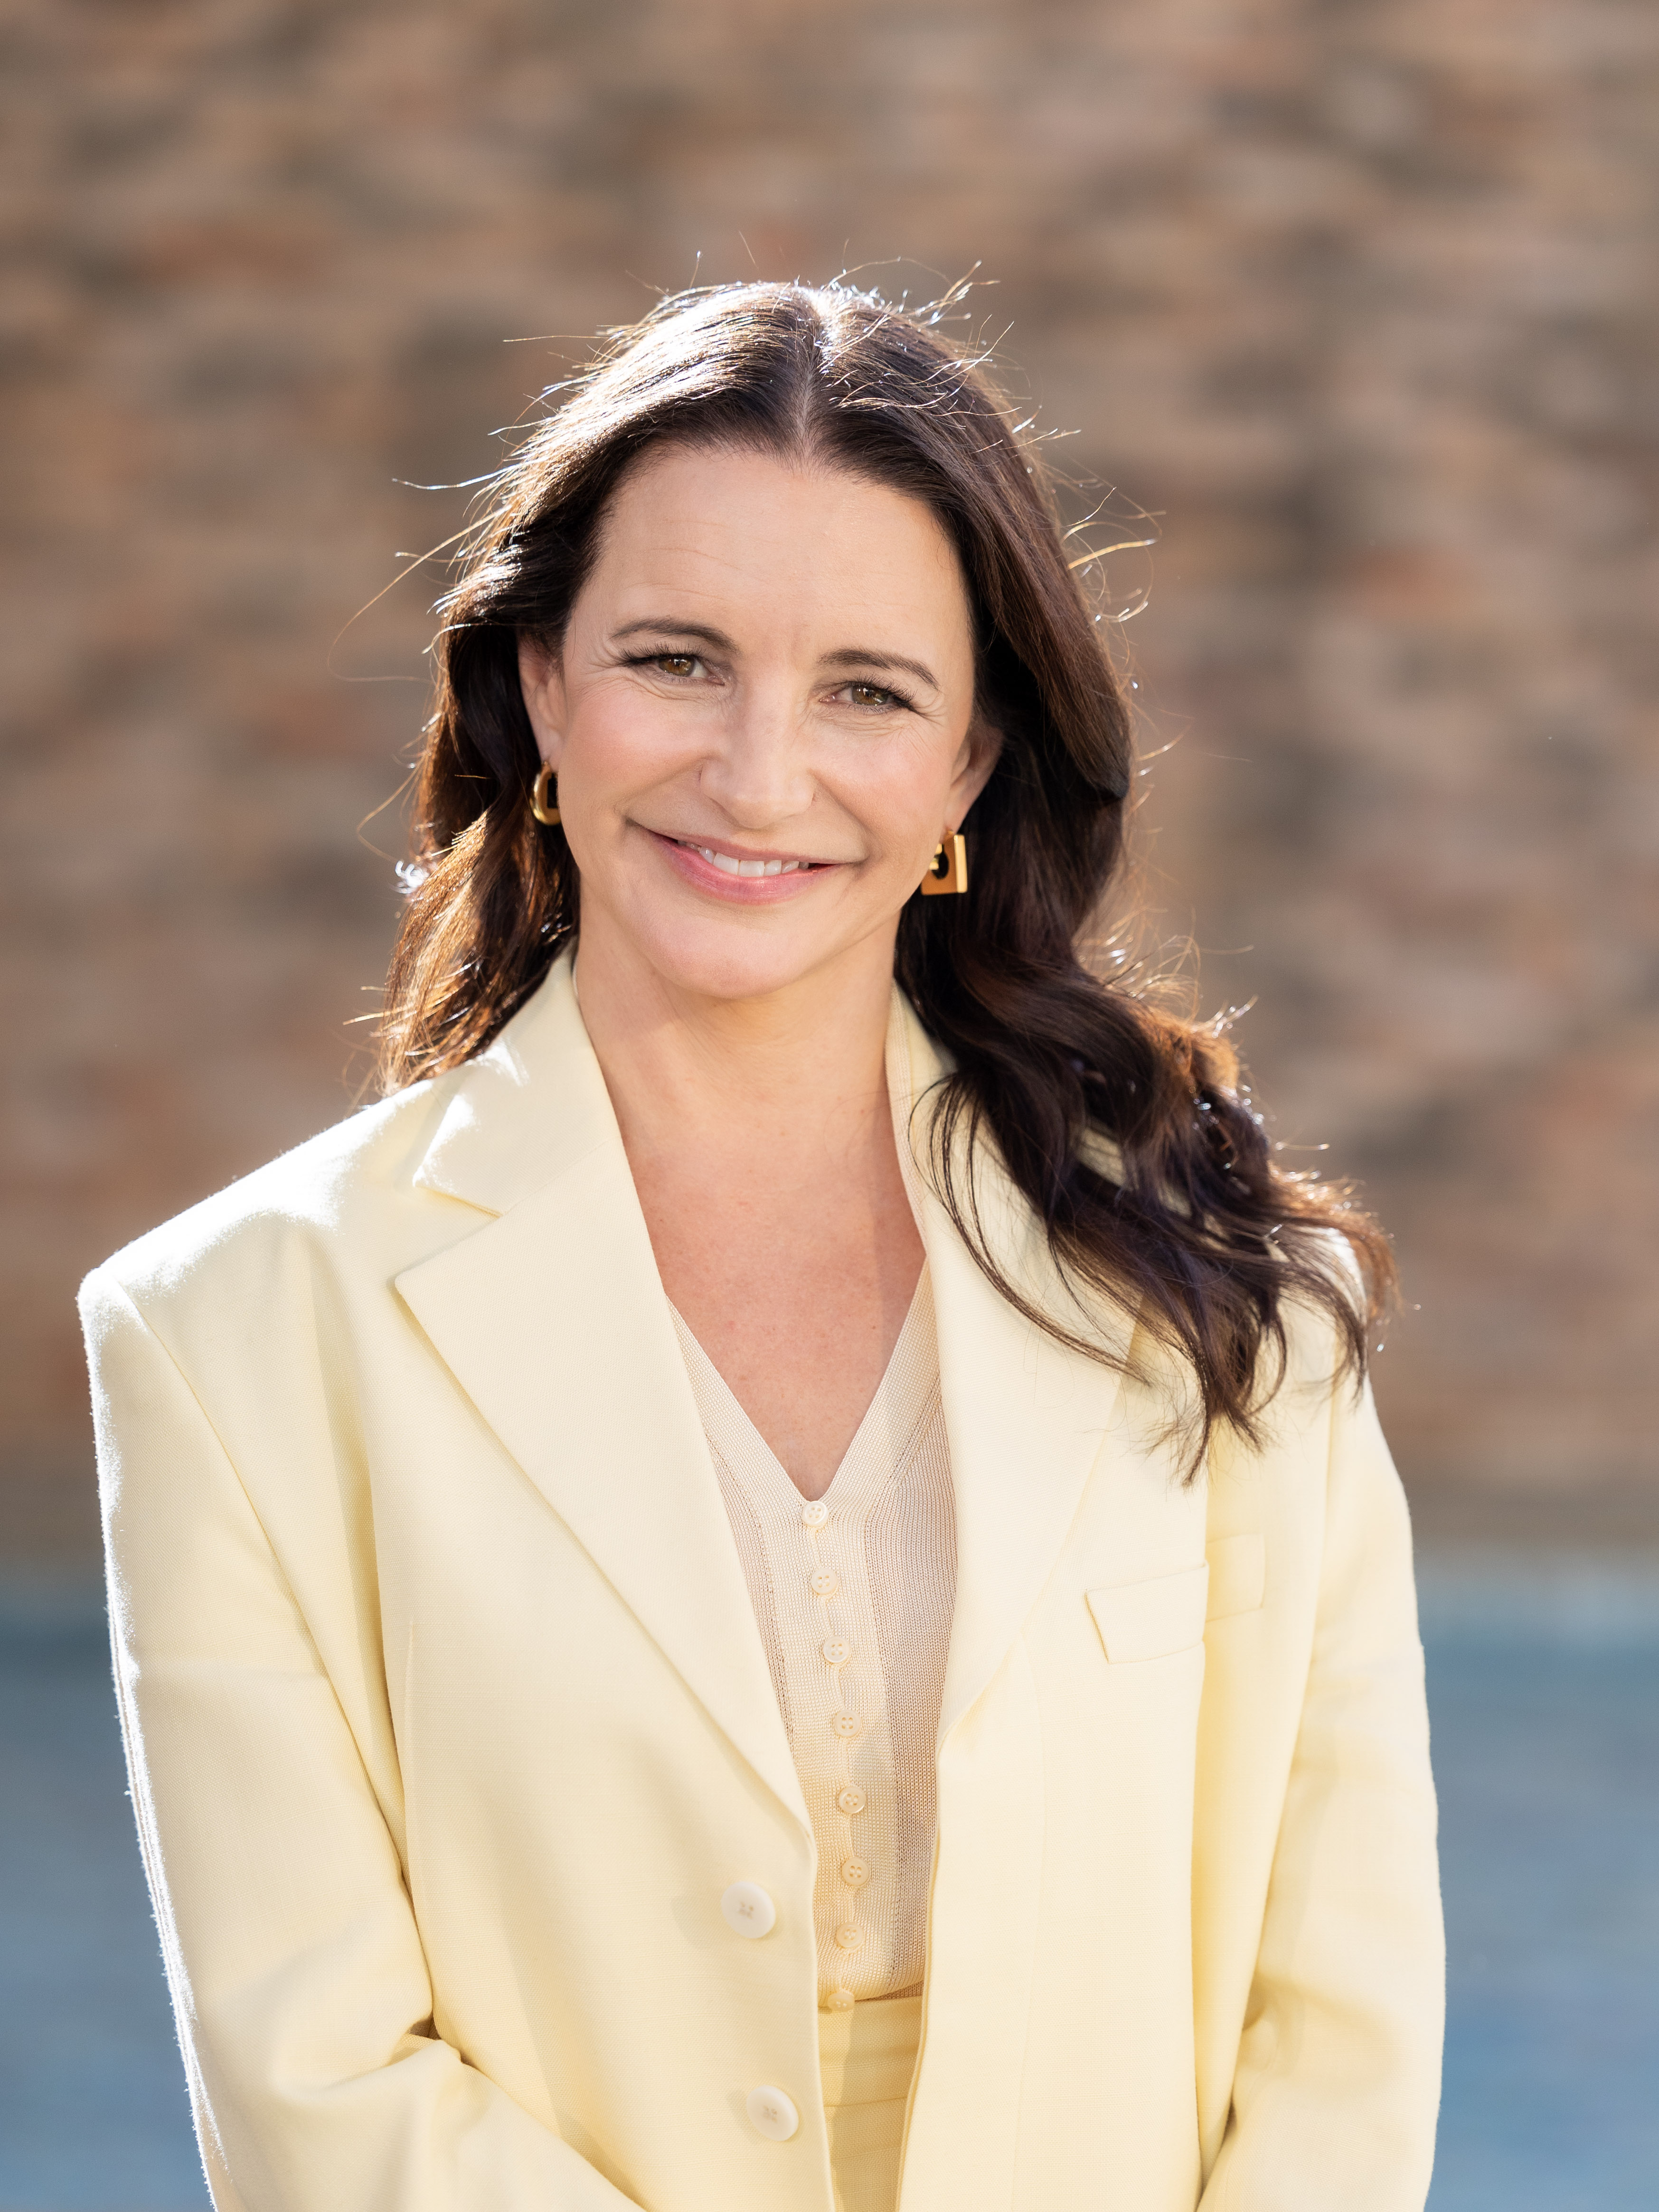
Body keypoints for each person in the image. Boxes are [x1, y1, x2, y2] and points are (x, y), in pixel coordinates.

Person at [80, 281, 1442, 2212]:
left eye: (866, 689)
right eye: (676, 658)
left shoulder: (1238, 1302)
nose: (758, 772)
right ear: (541, 686)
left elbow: (1342, 2024)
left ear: (972, 761)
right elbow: (318, 2082)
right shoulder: (224, 1337)